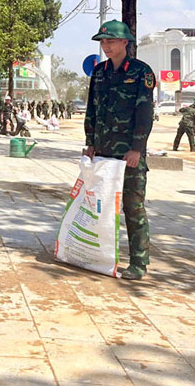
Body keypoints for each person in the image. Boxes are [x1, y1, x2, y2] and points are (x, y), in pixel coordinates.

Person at [83, 20, 155, 280]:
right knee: (100, 207)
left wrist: (137, 149)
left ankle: (138, 262)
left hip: (129, 155)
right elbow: (91, 110)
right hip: (103, 152)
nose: (106, 46)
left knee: (133, 207)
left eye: (111, 41)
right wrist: (90, 143)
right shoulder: (99, 72)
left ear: (126, 42)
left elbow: (145, 113)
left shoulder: (140, 72)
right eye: (103, 41)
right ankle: (101, 256)